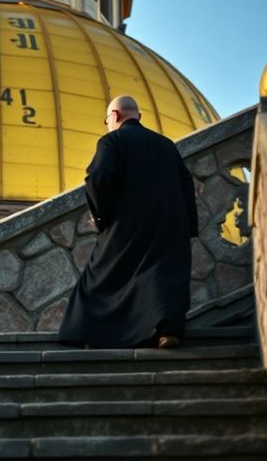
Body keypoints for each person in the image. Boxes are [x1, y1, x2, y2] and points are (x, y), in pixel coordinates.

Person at [57, 95, 198, 349]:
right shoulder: (166, 145)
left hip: (127, 224)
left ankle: (89, 332)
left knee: (99, 276)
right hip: (170, 224)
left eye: (106, 120)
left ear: (115, 117)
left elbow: (99, 177)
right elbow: (186, 182)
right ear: (138, 117)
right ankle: (168, 331)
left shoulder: (112, 141)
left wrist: (102, 215)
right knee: (162, 274)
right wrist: (188, 226)